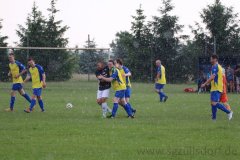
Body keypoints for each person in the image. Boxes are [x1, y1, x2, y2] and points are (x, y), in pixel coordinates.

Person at [201, 54, 233, 121]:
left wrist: (205, 83)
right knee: (212, 103)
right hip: (215, 87)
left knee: (214, 103)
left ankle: (229, 112)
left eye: (211, 59)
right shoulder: (218, 66)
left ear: (215, 59)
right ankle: (214, 119)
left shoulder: (215, 66)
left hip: (216, 87)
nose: (210, 60)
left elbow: (212, 77)